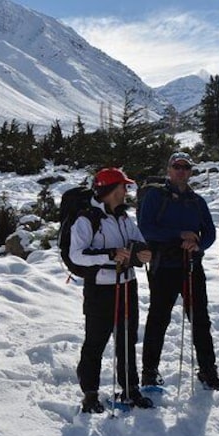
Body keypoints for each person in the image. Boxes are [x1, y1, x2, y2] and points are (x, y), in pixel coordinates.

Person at [138, 152, 219, 390]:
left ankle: (208, 370)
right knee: (158, 318)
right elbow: (146, 229)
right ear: (169, 169)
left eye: (185, 167)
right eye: (177, 166)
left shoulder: (197, 201)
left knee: (200, 319)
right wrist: (180, 236)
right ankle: (149, 371)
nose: (181, 171)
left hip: (190, 267)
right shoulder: (155, 196)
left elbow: (209, 233)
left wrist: (197, 243)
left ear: (190, 171)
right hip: (163, 267)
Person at [70, 167, 154, 413]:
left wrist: (143, 253)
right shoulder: (87, 219)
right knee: (95, 341)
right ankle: (90, 393)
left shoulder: (124, 217)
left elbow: (137, 242)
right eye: (121, 187)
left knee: (127, 339)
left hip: (127, 284)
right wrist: (109, 255)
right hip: (100, 289)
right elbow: (77, 255)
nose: (125, 192)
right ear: (108, 190)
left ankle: (130, 389)